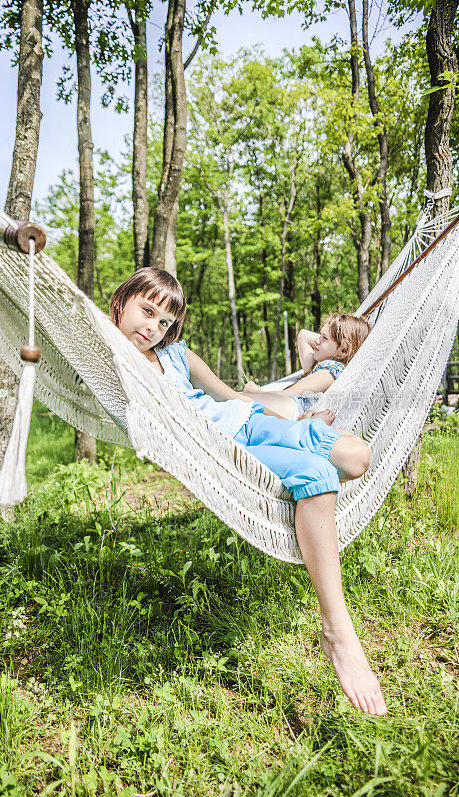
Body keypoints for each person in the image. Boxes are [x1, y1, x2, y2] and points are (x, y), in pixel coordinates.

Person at [110, 267, 387, 716]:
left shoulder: (179, 355)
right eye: (146, 311)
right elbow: (86, 336)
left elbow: (231, 398)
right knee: (318, 476)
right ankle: (339, 632)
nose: (152, 328)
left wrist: (292, 418)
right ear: (121, 301)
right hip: (225, 451)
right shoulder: (113, 354)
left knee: (358, 458)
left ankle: (309, 430)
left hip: (251, 424)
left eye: (163, 321)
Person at [243, 314, 372, 421]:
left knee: (231, 400)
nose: (317, 340)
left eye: (324, 338)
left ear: (343, 350)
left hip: (288, 410)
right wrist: (329, 341)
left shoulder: (330, 372)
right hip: (284, 410)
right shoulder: (321, 366)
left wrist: (256, 393)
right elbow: (303, 335)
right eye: (320, 335)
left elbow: (286, 395)